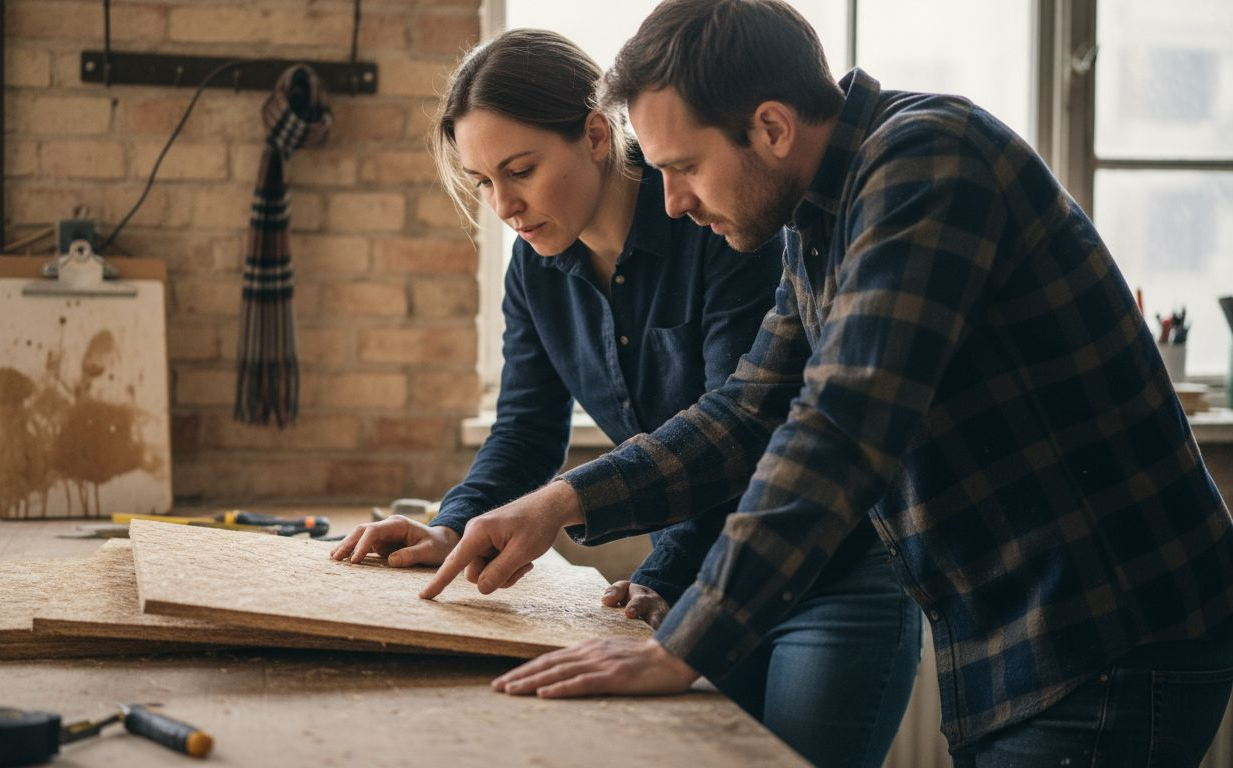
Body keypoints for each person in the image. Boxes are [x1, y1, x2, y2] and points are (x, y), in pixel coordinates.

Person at [419, 2, 1233, 766]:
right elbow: (747, 414)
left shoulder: (928, 162)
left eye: (686, 166)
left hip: (1113, 630)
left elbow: (839, 429)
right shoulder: (817, 222)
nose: (672, 202)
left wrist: (682, 645)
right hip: (1034, 643)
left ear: (772, 127)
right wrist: (560, 502)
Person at [332, 28, 922, 768]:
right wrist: (453, 527)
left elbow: (745, 436)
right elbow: (525, 432)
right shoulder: (535, 268)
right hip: (703, 579)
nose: (505, 205)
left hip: (827, 573)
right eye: (483, 182)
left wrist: (659, 570)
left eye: (521, 170)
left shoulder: (725, 218)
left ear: (594, 136)